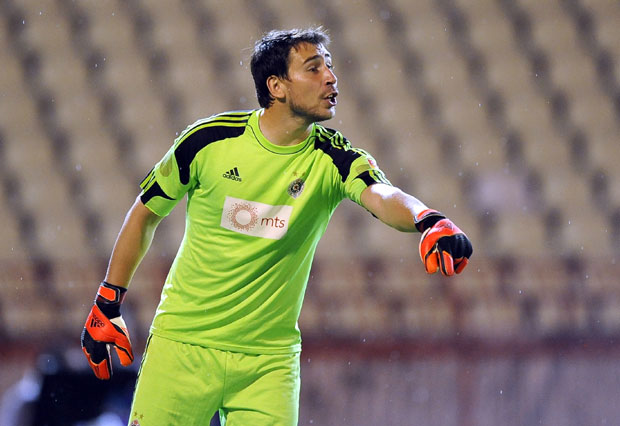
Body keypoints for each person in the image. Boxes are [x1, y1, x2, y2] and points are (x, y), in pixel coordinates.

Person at [81, 27, 472, 426]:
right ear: (277, 86)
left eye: (330, 67)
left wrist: (428, 219)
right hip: (183, 347)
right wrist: (107, 302)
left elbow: (382, 195)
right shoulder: (208, 141)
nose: (331, 77)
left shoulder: (332, 157)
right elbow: (145, 214)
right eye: (314, 68)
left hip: (268, 364)